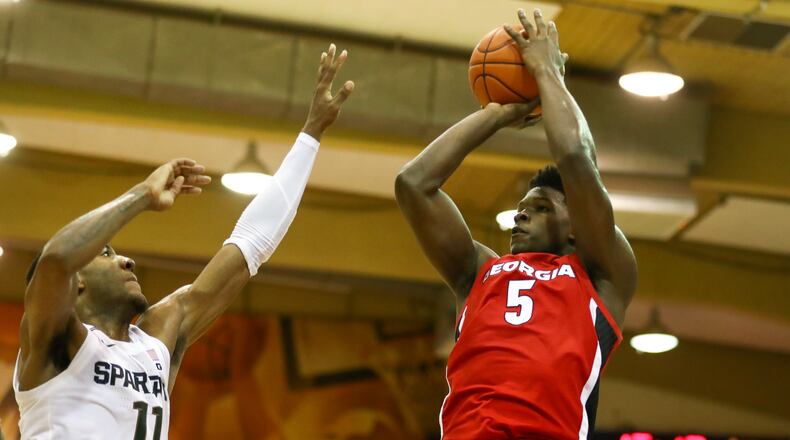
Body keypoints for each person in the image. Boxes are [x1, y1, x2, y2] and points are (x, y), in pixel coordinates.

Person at [13, 43, 354, 439]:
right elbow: (55, 260)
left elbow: (249, 245)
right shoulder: (54, 341)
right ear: (77, 285)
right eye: (106, 254)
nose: (127, 261)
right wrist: (141, 195)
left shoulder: (159, 336)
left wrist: (310, 134)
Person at [395, 9, 637, 439]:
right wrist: (496, 115)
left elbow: (576, 158)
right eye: (522, 208)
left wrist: (547, 73)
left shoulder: (600, 276)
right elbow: (414, 184)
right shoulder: (479, 273)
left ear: (577, 225)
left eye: (542, 207)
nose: (522, 214)